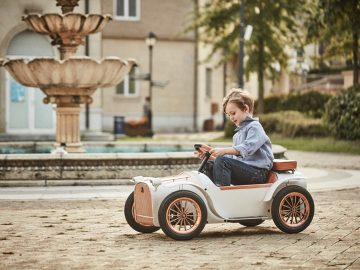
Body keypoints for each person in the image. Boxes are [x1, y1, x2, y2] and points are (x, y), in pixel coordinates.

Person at [195, 88, 273, 186]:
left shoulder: (255, 127)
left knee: (222, 161)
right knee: (209, 165)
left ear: (246, 108)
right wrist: (211, 156)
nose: (231, 117)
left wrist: (224, 151)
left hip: (257, 173)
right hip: (245, 171)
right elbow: (232, 159)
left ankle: (222, 195)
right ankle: (208, 192)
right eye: (228, 115)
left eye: (233, 113)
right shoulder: (237, 134)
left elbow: (248, 147)